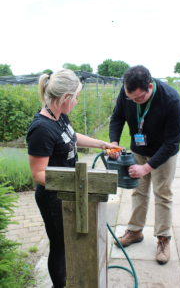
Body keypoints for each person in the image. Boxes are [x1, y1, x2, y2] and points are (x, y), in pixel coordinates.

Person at [26, 69, 119, 288]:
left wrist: (102, 144)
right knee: (60, 245)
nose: (77, 102)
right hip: (52, 196)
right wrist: (78, 183)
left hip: (68, 192)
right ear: (65, 98)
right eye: (76, 97)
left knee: (70, 241)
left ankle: (71, 278)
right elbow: (37, 173)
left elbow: (71, 137)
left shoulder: (58, 116)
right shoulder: (40, 129)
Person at [109, 65, 180, 265]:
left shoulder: (171, 100)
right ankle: (135, 231)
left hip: (163, 153)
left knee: (163, 194)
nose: (133, 101)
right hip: (139, 150)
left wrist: (146, 168)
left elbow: (172, 143)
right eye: (130, 98)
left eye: (139, 99)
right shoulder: (128, 93)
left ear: (150, 86)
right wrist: (113, 143)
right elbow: (117, 117)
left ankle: (163, 238)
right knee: (138, 191)